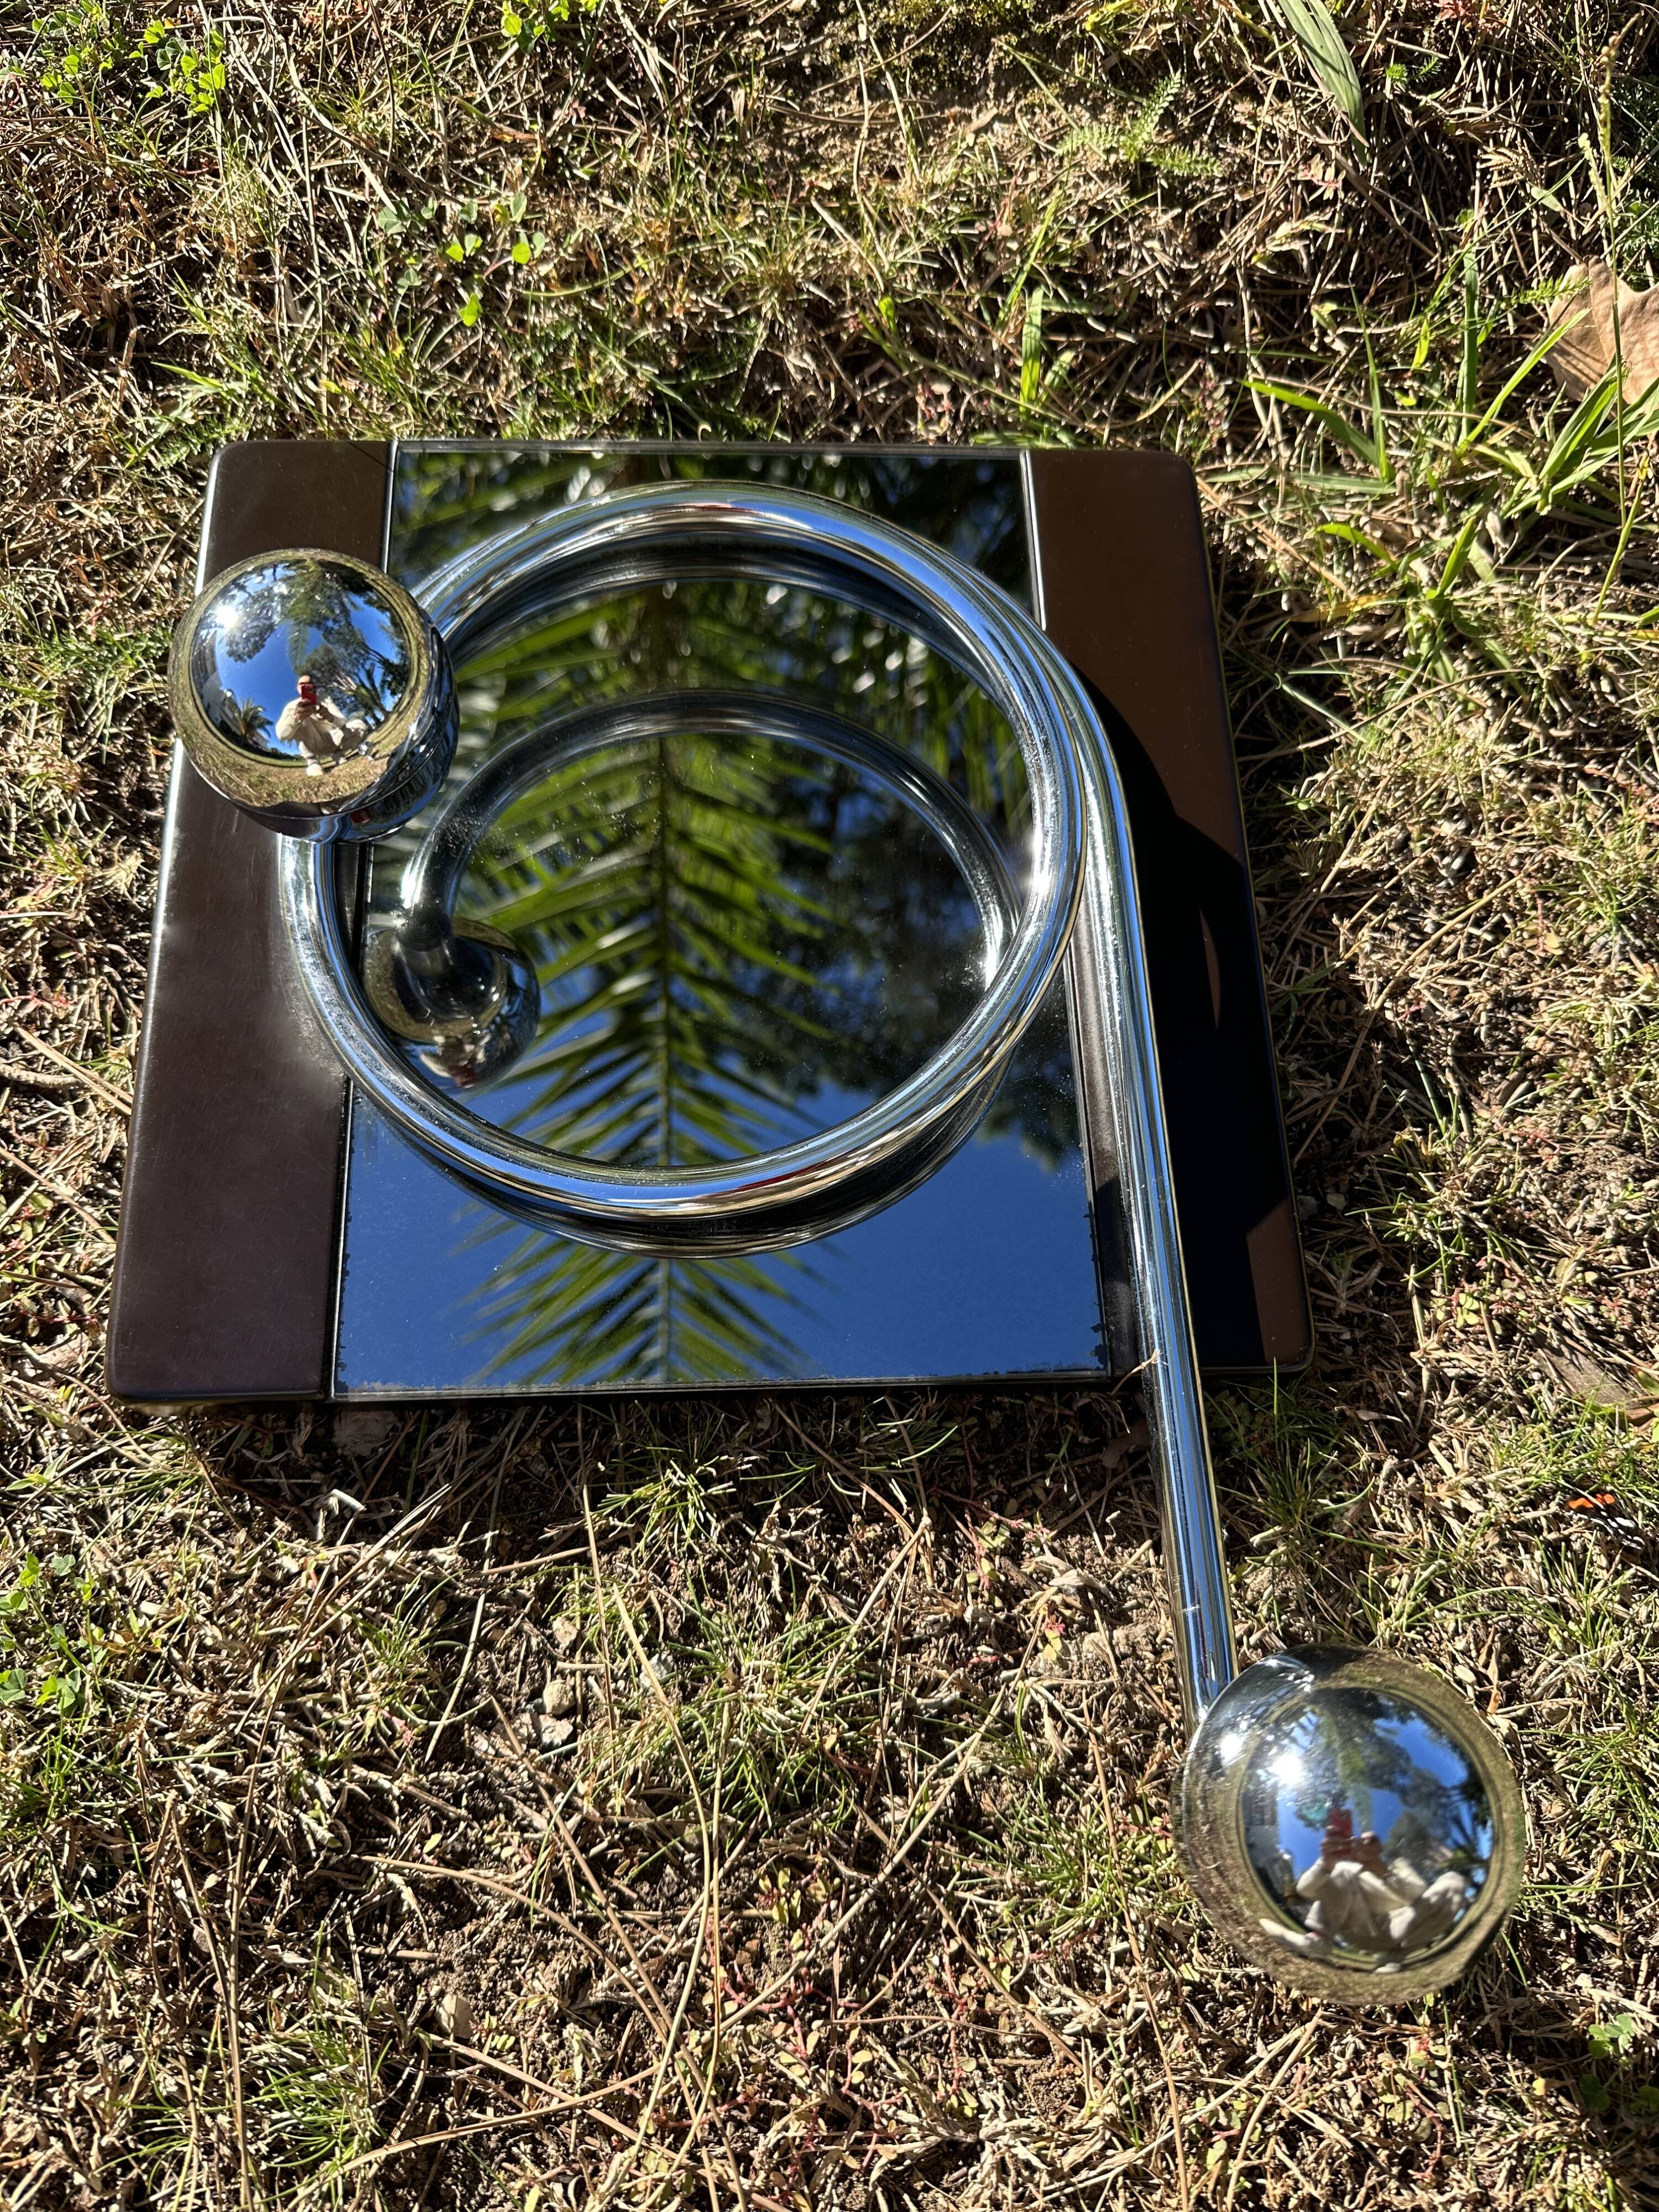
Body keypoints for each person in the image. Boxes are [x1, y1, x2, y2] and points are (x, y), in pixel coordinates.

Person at [275, 674, 368, 775]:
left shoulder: (325, 699)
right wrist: (296, 718)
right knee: (302, 717)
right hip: (313, 745)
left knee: (359, 725)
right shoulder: (292, 706)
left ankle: (338, 755)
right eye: (302, 684)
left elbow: (343, 723)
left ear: (314, 686)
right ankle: (312, 761)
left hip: (334, 739)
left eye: (309, 683)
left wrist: (330, 717)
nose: (305, 686)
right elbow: (282, 735)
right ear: (297, 688)